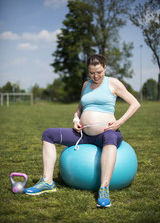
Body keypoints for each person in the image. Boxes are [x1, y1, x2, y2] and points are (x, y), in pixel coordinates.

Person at [25, 54, 141, 208]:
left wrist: (120, 121)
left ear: (105, 68)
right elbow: (79, 109)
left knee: (110, 136)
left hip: (107, 134)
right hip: (83, 135)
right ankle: (47, 181)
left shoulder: (113, 83)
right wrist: (76, 120)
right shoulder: (86, 85)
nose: (95, 76)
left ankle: (104, 188)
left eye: (99, 72)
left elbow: (135, 103)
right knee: (48, 134)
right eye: (92, 72)